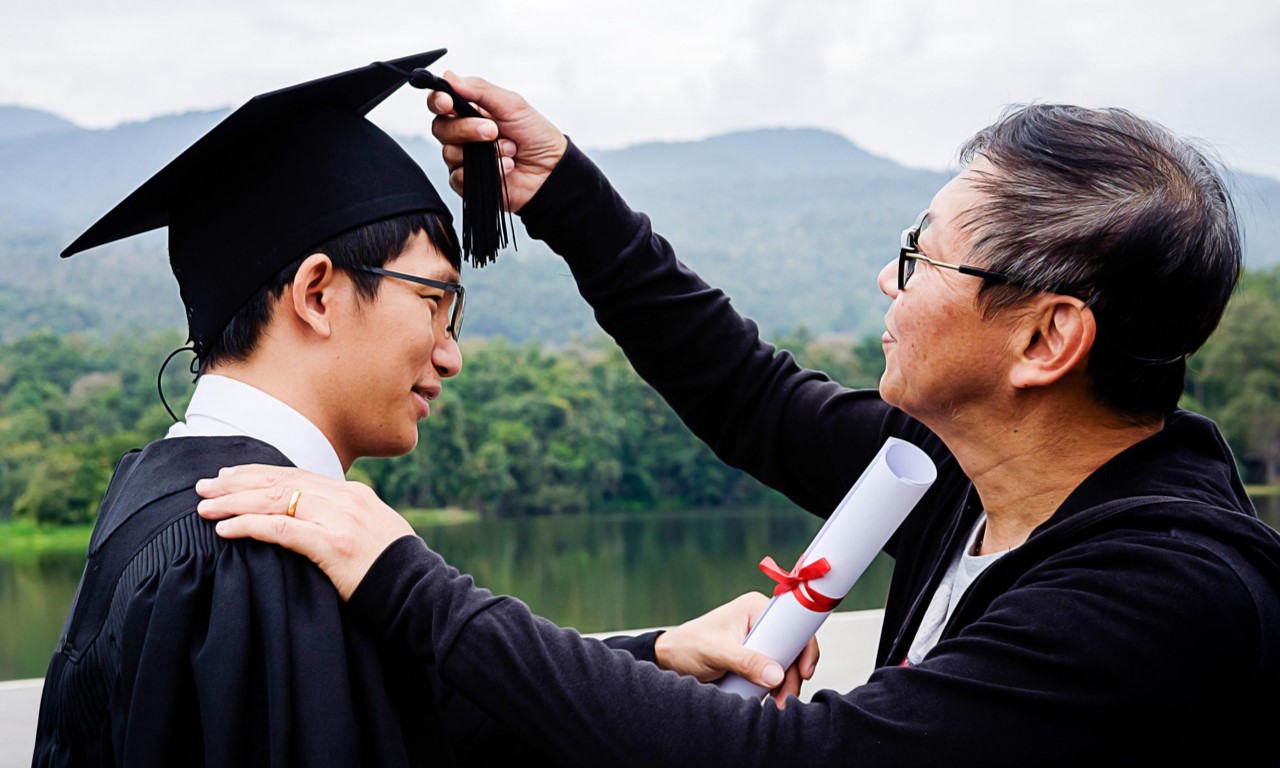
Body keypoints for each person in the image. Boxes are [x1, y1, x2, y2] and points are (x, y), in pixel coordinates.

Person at [195, 73, 1280, 767]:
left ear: (1044, 341)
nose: (881, 281)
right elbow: (746, 393)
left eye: (917, 259)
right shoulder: (965, 477)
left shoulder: (1160, 595)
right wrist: (564, 193)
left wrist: (406, 575)